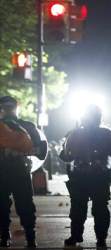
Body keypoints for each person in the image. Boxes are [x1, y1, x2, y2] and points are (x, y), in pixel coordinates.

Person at [60, 104, 111, 248]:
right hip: (89, 177)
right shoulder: (104, 134)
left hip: (92, 176)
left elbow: (65, 156)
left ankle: (86, 237)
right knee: (88, 209)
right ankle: (92, 238)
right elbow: (66, 155)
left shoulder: (80, 133)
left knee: (84, 209)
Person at [0, 96, 47, 248]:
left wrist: (19, 152)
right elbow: (41, 149)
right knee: (22, 206)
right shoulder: (27, 126)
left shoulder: (27, 126)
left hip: (15, 171)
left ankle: (24, 236)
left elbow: (41, 150)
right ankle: (27, 237)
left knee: (21, 205)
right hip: (17, 171)